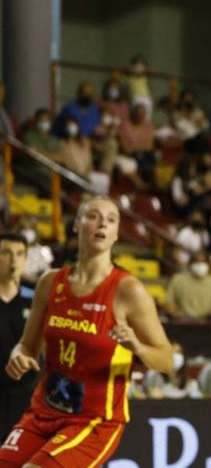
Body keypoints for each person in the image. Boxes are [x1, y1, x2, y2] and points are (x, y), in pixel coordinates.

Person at [2, 197, 174, 467]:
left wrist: (138, 348)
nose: (103, 223)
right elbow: (27, 346)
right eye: (94, 216)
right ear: (77, 225)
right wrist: (18, 356)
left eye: (111, 220)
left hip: (94, 421)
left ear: (115, 234)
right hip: (43, 412)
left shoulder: (129, 291)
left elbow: (167, 360)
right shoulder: (50, 283)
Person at [0, 234, 34, 439]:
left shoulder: (35, 300)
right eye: (6, 253)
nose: (13, 260)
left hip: (26, 397)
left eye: (20, 254)